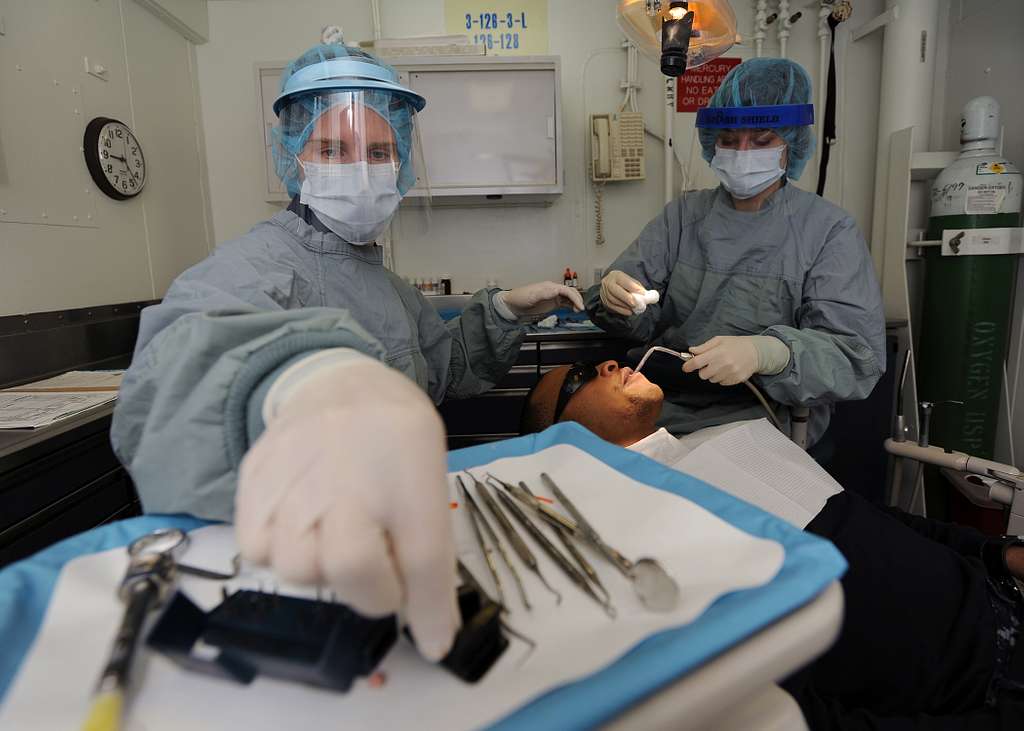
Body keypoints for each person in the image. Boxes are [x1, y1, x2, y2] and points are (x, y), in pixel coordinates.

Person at [110, 42, 582, 661]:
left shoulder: (384, 285)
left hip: (395, 535)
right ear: (292, 155)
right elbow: (161, 388)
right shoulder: (251, 269)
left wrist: (504, 312)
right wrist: (288, 381)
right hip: (291, 559)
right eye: (332, 150)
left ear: (403, 161)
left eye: (379, 152)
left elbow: (444, 372)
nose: (360, 169)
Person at [522, 361, 1024, 729]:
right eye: (580, 378)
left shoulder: (727, 438)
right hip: (979, 687)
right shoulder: (633, 538)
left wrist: (999, 554)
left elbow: (871, 518)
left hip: (997, 593)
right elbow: (788, 714)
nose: (607, 363)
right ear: (560, 442)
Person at [585, 58, 886, 451]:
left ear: (790, 143)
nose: (743, 152)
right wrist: (616, 299)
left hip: (764, 420)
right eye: (728, 139)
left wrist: (771, 353)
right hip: (664, 409)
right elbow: (633, 313)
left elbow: (856, 357)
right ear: (713, 143)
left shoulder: (828, 230)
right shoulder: (683, 217)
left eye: (761, 141)